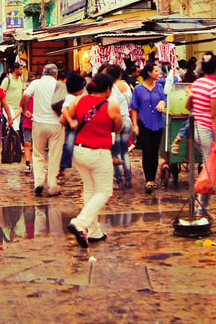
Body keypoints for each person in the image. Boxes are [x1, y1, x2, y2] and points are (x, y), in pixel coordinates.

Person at [63, 72, 122, 247]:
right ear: (109, 89)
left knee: (90, 189)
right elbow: (117, 128)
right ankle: (80, 223)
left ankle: (93, 231)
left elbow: (62, 119)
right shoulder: (111, 106)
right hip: (99, 152)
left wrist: (73, 121)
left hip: (79, 151)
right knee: (104, 191)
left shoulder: (79, 100)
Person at [187, 54, 216, 216]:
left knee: (207, 168)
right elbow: (215, 115)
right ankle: (201, 209)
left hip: (196, 129)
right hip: (207, 131)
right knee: (209, 170)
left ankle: (202, 208)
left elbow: (189, 106)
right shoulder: (215, 87)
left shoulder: (197, 84)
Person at [25, 64, 63, 196]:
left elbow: (25, 96)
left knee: (38, 154)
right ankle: (52, 185)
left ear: (43, 73)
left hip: (39, 123)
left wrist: (25, 110)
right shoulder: (60, 85)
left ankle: (39, 182)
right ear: (56, 74)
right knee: (54, 155)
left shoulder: (35, 83)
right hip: (56, 124)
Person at [130, 62, 167, 193]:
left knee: (154, 152)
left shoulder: (159, 87)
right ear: (149, 73)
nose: (158, 73)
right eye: (156, 71)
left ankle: (153, 177)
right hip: (143, 124)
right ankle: (148, 180)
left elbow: (164, 100)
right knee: (147, 151)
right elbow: (134, 108)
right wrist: (135, 125)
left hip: (158, 123)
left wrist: (163, 102)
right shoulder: (139, 89)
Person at [104, 64, 134, 190]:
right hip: (127, 119)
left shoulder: (112, 88)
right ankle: (128, 180)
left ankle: (118, 182)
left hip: (117, 121)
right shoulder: (126, 85)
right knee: (125, 152)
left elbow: (112, 104)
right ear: (120, 74)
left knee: (116, 153)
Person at [0, 60, 26, 130]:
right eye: (20, 69)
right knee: (14, 128)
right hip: (9, 107)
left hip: (18, 108)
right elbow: (1, 93)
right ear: (15, 69)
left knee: (13, 128)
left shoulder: (20, 80)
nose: (22, 71)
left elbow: (22, 93)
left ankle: (11, 141)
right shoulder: (7, 80)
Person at [19, 87, 34, 172]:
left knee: (36, 145)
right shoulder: (25, 99)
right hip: (27, 123)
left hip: (37, 123)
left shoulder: (39, 98)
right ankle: (28, 163)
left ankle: (37, 163)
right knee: (27, 143)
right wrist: (13, 118)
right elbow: (20, 108)